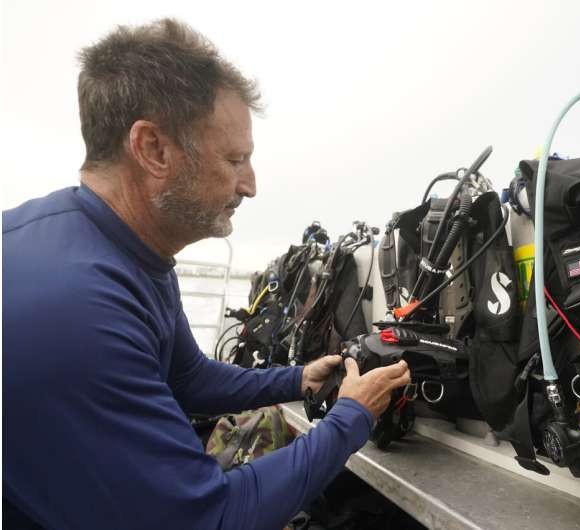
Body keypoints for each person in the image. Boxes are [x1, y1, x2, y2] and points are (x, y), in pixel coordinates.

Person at [2, 18, 410, 530]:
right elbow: (210, 519)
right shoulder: (78, 307)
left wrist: (295, 378)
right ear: (153, 149)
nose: (250, 185)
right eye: (235, 159)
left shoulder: (127, 251)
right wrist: (352, 416)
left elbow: (186, 377)